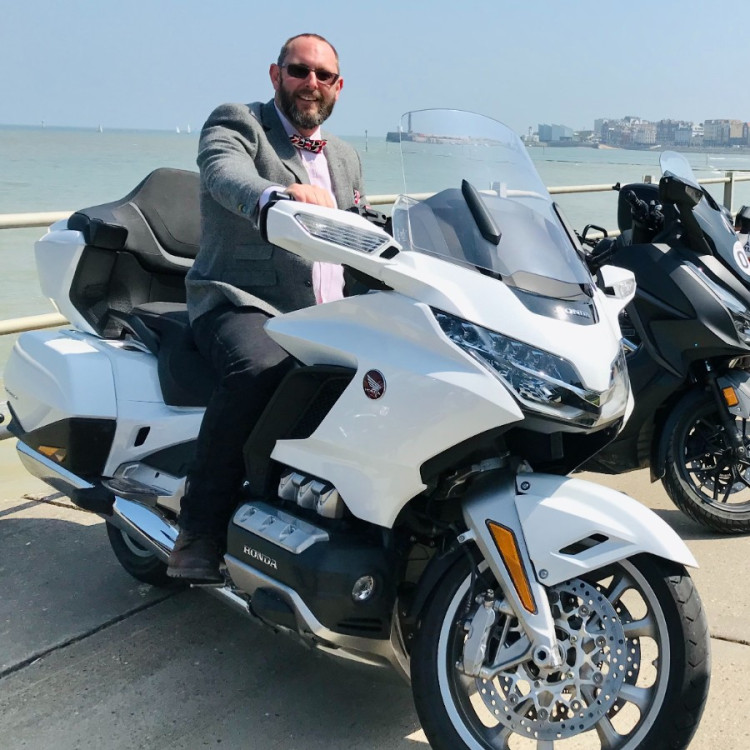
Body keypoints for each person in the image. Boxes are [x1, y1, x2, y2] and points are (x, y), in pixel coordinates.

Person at [166, 33, 365, 583]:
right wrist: (275, 195)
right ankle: (199, 530)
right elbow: (223, 172)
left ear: (339, 87)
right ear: (276, 75)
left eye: (324, 75)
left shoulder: (345, 157)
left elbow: (360, 225)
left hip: (326, 313)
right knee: (261, 368)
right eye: (299, 71)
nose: (311, 83)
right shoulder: (240, 123)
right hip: (241, 300)